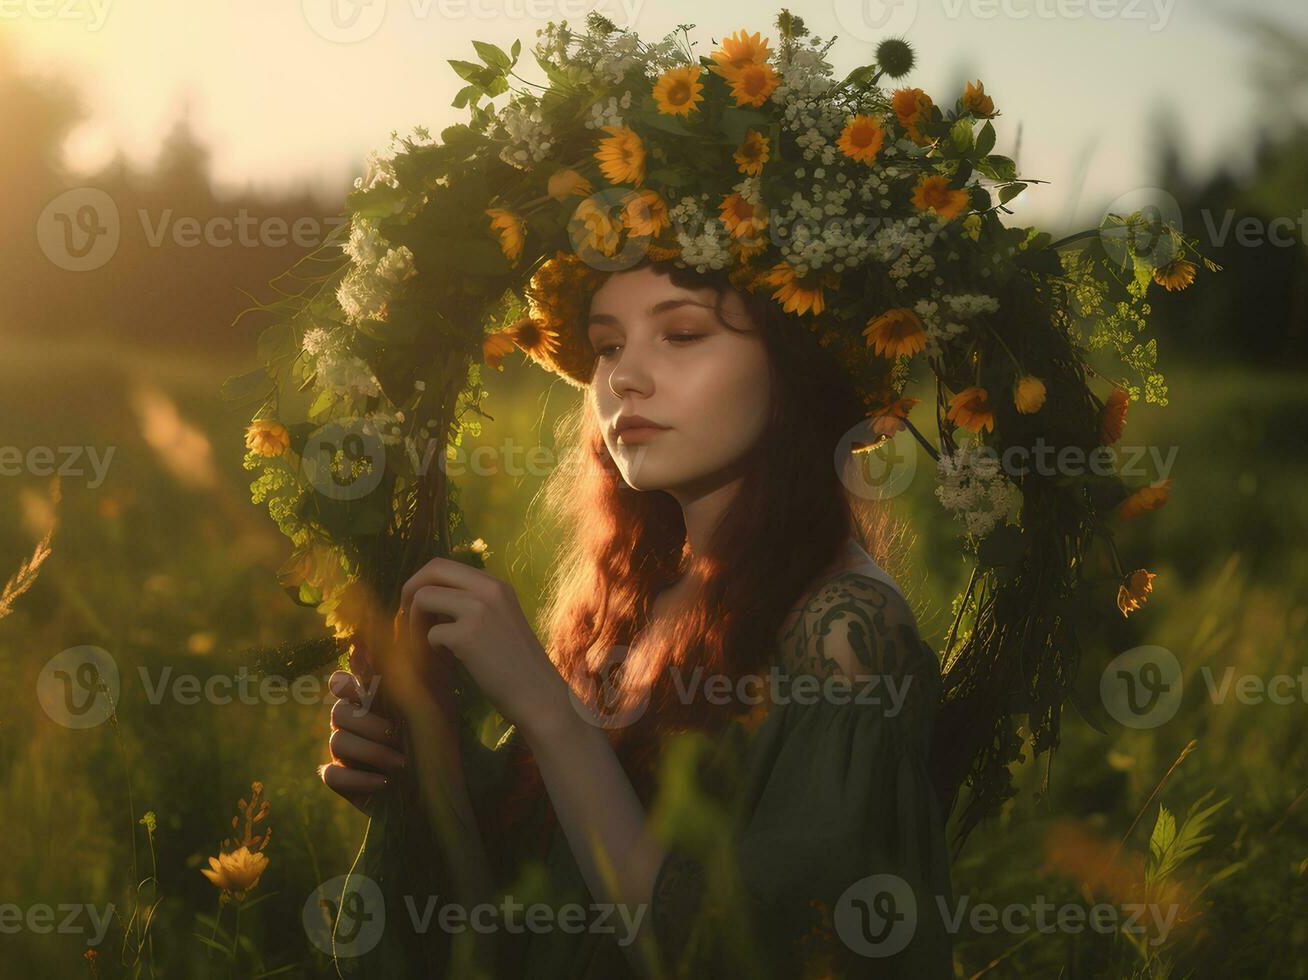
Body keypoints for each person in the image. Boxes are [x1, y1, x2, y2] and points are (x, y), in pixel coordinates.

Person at [319, 259, 955, 977]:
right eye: (609, 346)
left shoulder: (847, 626)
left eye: (681, 334)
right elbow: (548, 890)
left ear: (793, 366)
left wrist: (548, 711)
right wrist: (427, 750)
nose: (624, 378)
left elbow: (765, 953)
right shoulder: (642, 590)